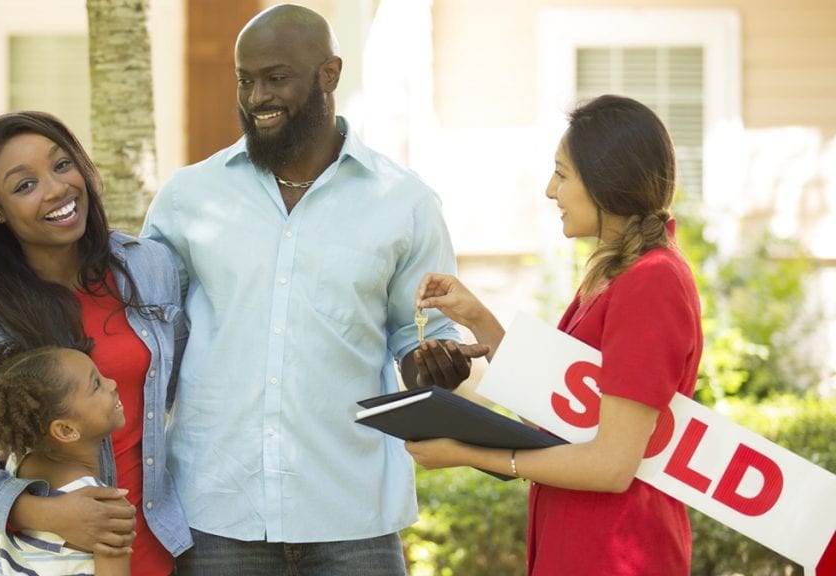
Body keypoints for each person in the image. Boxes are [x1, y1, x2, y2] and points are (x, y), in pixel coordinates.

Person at [139, 4, 487, 575]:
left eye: (276, 78)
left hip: (353, 513)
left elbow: (419, 332)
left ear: (329, 74)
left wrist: (431, 368)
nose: (257, 98)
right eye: (246, 80)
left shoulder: (405, 203)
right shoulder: (188, 199)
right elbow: (135, 315)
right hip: (218, 512)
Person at [406, 94, 702, 575]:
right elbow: (566, 410)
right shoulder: (617, 274)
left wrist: (466, 453)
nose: (550, 190)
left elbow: (611, 464)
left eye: (562, 174)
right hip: (579, 544)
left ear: (607, 182)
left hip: (619, 552)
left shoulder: (652, 282)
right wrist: (478, 317)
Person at [0, 110, 192, 575]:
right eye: (24, 185)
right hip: (51, 555)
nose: (56, 189)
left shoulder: (151, 267)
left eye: (60, 165)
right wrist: (54, 513)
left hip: (157, 542)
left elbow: (176, 393)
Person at [0, 342, 129, 575]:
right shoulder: (105, 510)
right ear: (66, 430)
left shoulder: (15, 468)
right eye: (96, 385)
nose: (112, 383)